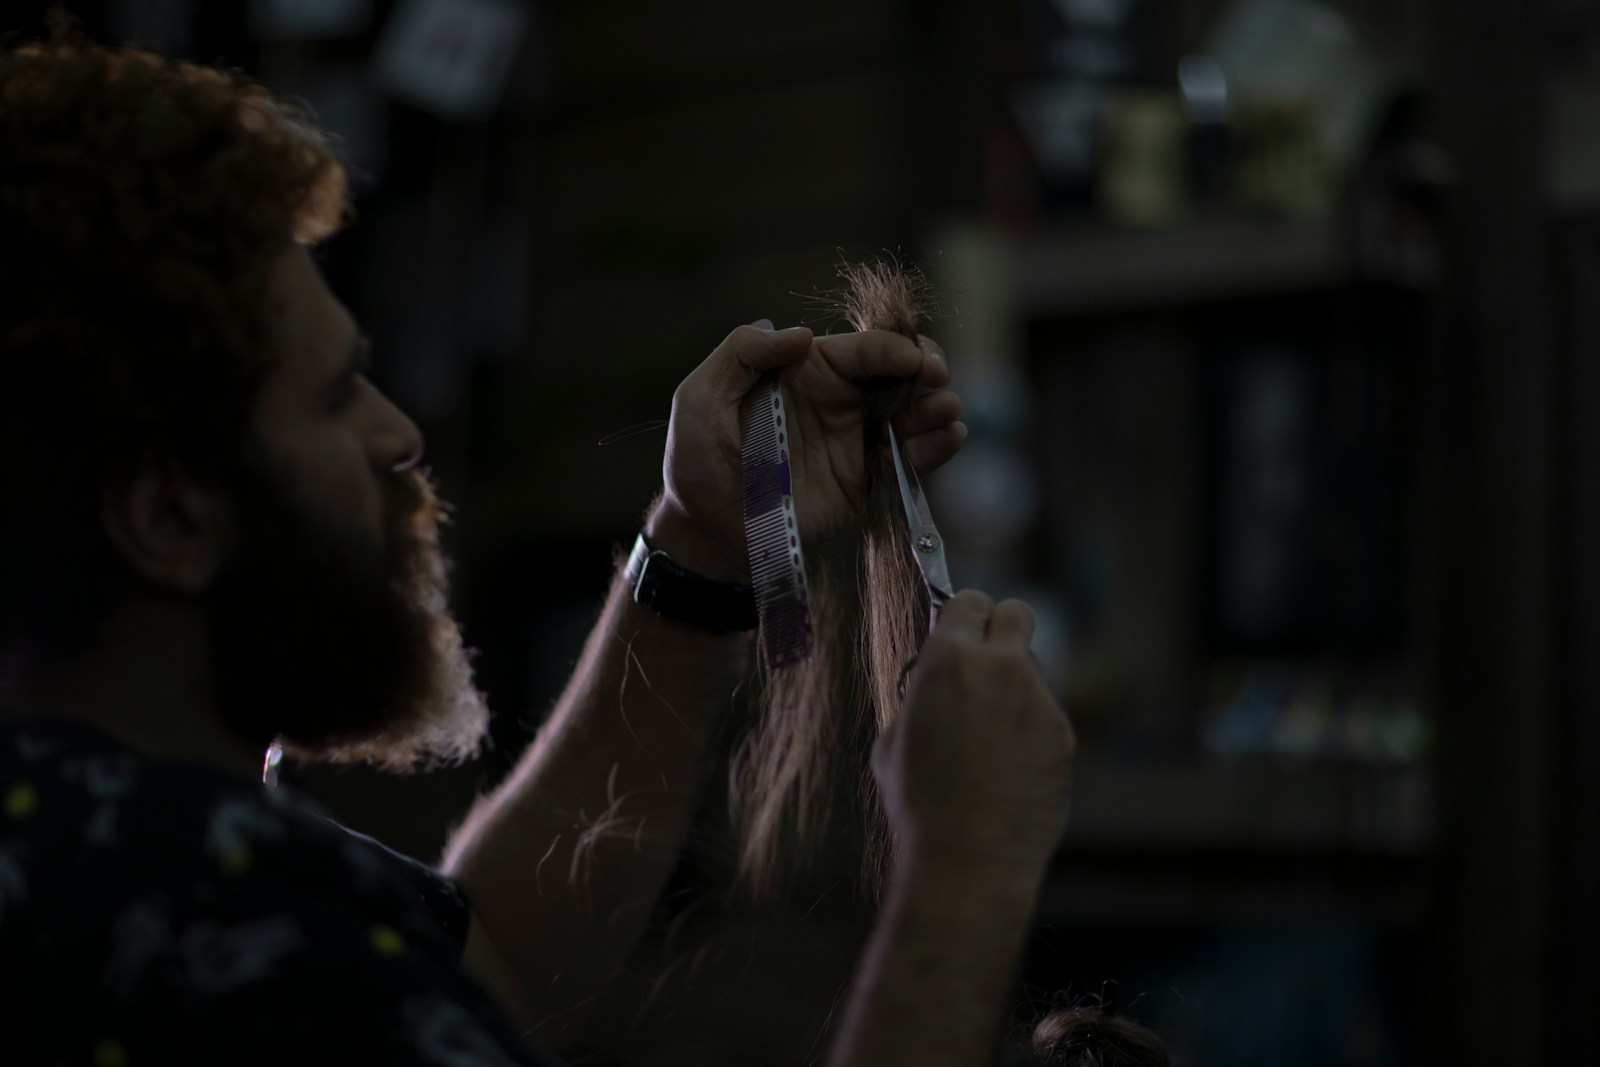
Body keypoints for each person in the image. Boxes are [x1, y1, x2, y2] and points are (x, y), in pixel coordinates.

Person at [0, 22, 1075, 1067]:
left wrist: (696, 543)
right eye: (333, 398)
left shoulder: (129, 846)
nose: (396, 432)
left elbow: (491, 965)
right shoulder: (215, 930)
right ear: (171, 516)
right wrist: (965, 872)